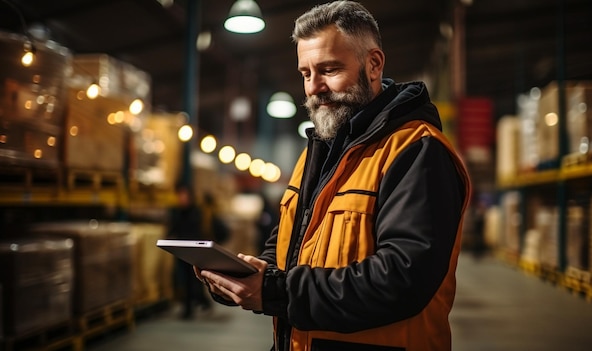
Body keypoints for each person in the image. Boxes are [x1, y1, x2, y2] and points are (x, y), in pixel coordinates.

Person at [196, 1, 471, 350]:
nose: (314, 87)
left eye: (328, 69)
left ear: (373, 65)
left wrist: (274, 291)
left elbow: (402, 280)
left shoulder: (416, 152)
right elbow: (286, 250)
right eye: (305, 74)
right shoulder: (316, 154)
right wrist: (244, 278)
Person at [168, 184, 211, 319]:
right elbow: (173, 229)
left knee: (194, 279)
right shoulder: (177, 212)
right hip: (181, 251)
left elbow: (199, 232)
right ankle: (189, 308)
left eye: (184, 195)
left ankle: (201, 301)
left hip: (193, 251)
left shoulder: (195, 212)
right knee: (185, 280)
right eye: (180, 196)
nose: (182, 199)